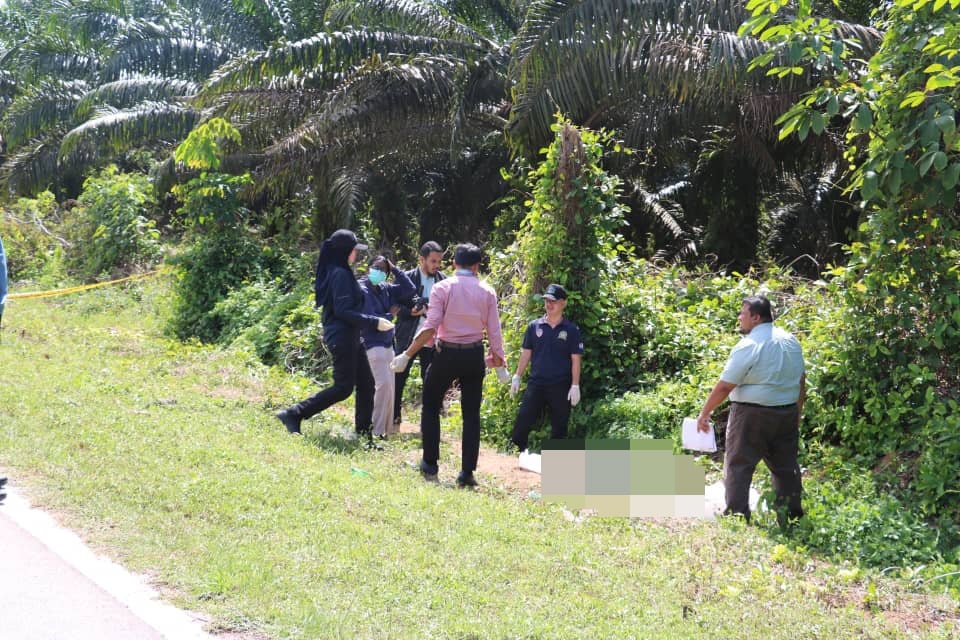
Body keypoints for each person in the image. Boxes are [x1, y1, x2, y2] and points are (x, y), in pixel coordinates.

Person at [390, 243, 506, 487]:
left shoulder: (443, 288)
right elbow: (494, 331)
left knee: (431, 405)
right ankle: (467, 473)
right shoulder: (487, 291)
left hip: (446, 354)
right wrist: (499, 363)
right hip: (474, 354)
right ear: (476, 267)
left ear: (454, 263)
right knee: (471, 414)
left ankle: (430, 464)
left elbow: (430, 326)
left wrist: (407, 354)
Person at [276, 229, 394, 448]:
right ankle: (294, 413)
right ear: (345, 251)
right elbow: (342, 310)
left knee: (367, 384)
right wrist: (373, 322)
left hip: (351, 335)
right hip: (342, 336)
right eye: (354, 250)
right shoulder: (339, 273)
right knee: (343, 387)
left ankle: (364, 436)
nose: (356, 254)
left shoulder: (342, 271)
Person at [697, 295, 806, 524]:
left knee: (739, 464)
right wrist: (798, 411)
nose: (739, 317)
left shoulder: (749, 345)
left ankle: (737, 515)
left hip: (752, 415)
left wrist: (705, 413)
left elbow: (725, 386)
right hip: (786, 412)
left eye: (743, 313)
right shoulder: (791, 341)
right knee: (786, 467)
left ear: (756, 318)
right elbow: (801, 379)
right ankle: (791, 517)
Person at [509, 284, 583, 451]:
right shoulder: (534, 326)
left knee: (560, 425)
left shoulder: (571, 330)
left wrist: (575, 385)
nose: (549, 304)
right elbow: (526, 353)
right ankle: (516, 451)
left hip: (560, 384)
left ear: (563, 303)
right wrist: (517, 376)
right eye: (547, 301)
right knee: (524, 418)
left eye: (553, 301)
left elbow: (576, 359)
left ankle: (556, 457)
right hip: (537, 382)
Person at [358, 255, 416, 439]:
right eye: (376, 267)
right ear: (369, 267)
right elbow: (370, 318)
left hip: (388, 343)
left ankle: (384, 430)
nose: (380, 272)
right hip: (371, 343)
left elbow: (410, 289)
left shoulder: (386, 288)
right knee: (382, 386)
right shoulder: (362, 288)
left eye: (384, 270)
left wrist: (395, 268)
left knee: (390, 388)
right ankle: (374, 429)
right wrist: (390, 315)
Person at [393, 241, 446, 425]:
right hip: (408, 334)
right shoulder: (406, 278)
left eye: (439, 261)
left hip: (433, 337)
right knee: (399, 375)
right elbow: (392, 305)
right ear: (422, 260)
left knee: (431, 378)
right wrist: (410, 312)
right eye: (433, 261)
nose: (437, 265)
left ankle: (429, 420)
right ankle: (394, 414)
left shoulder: (444, 280)